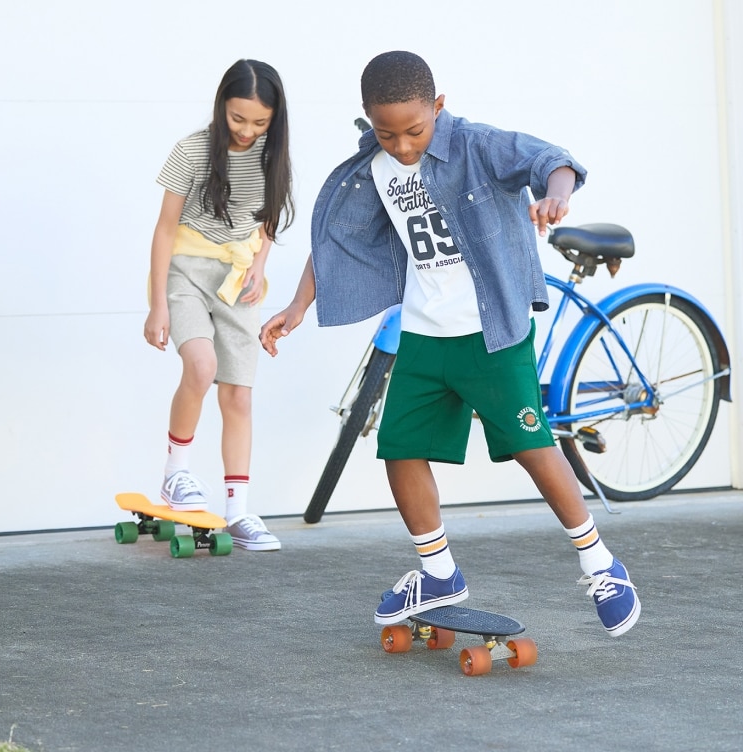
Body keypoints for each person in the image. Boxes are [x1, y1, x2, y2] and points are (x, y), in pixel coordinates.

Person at [260, 51, 640, 634]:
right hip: (425, 331)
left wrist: (556, 195)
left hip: (492, 333)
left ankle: (601, 563)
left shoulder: (477, 145)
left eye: (415, 130)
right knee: (401, 448)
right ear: (368, 119)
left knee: (532, 445)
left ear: (438, 106)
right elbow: (337, 242)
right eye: (387, 133)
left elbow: (552, 161)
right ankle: (438, 573)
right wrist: (297, 306)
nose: (404, 145)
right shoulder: (376, 167)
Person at [144, 59, 294, 551]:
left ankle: (238, 513)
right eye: (237, 119)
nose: (248, 131)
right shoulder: (191, 151)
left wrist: (260, 264)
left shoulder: (273, 156)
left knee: (239, 396)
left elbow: (268, 217)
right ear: (220, 107)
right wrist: (157, 305)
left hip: (237, 280)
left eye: (260, 122)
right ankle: (176, 473)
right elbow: (164, 229)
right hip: (186, 269)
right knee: (201, 366)